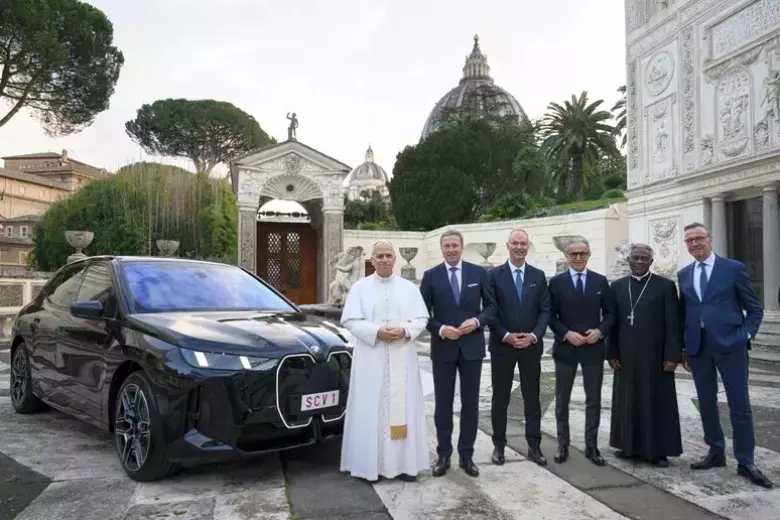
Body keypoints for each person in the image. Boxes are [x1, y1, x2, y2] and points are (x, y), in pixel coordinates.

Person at [678, 222, 773, 489]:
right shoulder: (684, 274)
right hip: (699, 349)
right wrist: (684, 348)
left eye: (698, 238)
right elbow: (685, 313)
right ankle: (715, 451)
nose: (694, 244)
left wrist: (744, 336)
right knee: (706, 403)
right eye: (689, 241)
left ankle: (745, 461)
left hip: (731, 347)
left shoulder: (733, 269)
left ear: (710, 239)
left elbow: (754, 309)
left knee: (739, 406)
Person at [339, 240, 431, 482]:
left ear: (395, 259)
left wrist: (405, 331)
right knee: (371, 407)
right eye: (379, 256)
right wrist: (376, 332)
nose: (384, 259)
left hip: (402, 354)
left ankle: (404, 466)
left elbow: (421, 318)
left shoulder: (409, 288)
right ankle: (370, 467)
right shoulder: (359, 288)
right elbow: (350, 321)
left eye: (388, 255)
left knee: (404, 407)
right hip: (372, 357)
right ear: (372, 259)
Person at [420, 230, 495, 478]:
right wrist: (440, 329)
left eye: (455, 245)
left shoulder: (478, 272)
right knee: (443, 404)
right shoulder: (431, 276)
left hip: (472, 347)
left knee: (470, 403)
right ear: (442, 249)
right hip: (443, 348)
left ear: (462, 247)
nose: (451, 250)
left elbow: (491, 308)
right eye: (447, 246)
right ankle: (444, 455)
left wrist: (476, 321)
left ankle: (467, 455)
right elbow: (421, 314)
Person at [607, 244, 682, 467]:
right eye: (635, 258)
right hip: (626, 355)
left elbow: (673, 324)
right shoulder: (618, 286)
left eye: (643, 258)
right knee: (627, 400)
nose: (639, 262)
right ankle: (628, 446)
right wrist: (611, 352)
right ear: (628, 260)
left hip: (655, 356)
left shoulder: (665, 287)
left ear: (651, 261)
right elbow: (613, 322)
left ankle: (657, 451)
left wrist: (672, 356)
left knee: (655, 401)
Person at [547, 237, 615, 466]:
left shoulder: (600, 281)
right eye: (573, 254)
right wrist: (565, 334)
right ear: (567, 257)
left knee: (593, 400)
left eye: (582, 254)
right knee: (562, 400)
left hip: (593, 349)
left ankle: (591, 446)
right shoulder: (556, 283)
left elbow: (610, 314)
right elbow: (549, 316)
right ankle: (562, 444)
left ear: (588, 255)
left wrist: (600, 331)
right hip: (566, 349)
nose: (578, 258)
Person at [488, 229, 550, 466]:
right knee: (500, 398)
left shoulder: (538, 275)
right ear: (508, 245)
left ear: (528, 246)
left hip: (531, 347)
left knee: (532, 398)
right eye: (515, 243)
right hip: (503, 346)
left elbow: (545, 309)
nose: (519, 247)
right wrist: (506, 336)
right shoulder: (494, 276)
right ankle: (499, 446)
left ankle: (534, 446)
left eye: (523, 243)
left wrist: (534, 335)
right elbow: (491, 310)